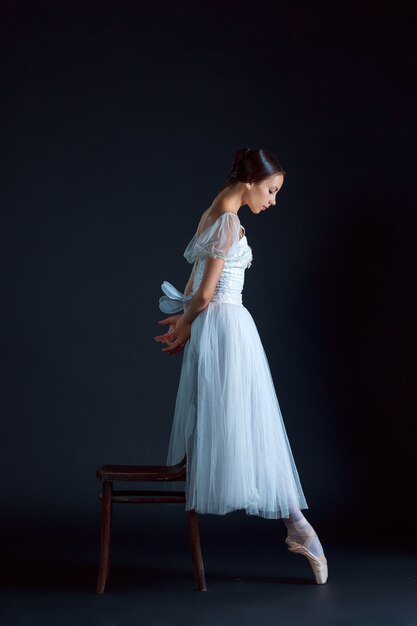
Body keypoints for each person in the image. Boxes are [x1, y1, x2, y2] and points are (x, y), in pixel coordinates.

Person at [154, 147, 328, 584]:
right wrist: (188, 322)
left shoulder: (215, 211)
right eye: (271, 190)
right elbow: (205, 292)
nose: (273, 199)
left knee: (251, 426)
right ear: (250, 182)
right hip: (227, 329)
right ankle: (298, 527)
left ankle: (297, 527)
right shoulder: (228, 221)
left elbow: (195, 284)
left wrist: (184, 323)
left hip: (220, 330)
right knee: (251, 426)